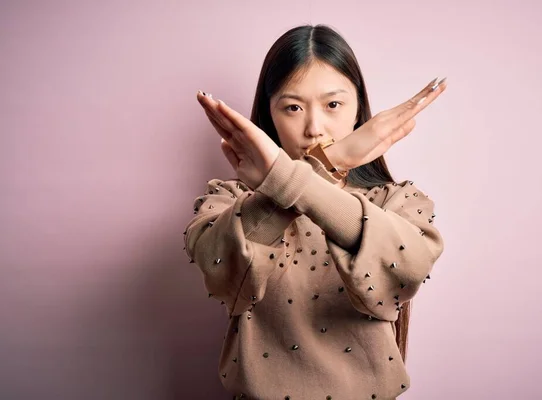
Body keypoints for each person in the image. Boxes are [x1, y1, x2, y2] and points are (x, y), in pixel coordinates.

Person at [184, 24, 446, 400]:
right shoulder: (228, 199)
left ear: (359, 109)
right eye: (292, 107)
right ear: (268, 115)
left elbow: (406, 271)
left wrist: (292, 178)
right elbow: (222, 270)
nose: (314, 128)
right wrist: (333, 160)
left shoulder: (399, 201)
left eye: (333, 105)